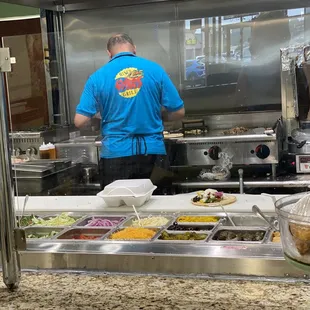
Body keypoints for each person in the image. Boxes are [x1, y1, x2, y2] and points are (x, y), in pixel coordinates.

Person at [74, 33, 185, 188]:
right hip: (153, 154)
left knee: (118, 209)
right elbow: (179, 112)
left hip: (115, 155)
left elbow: (79, 121)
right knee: (157, 208)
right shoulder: (155, 70)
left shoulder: (96, 78)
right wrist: (155, 114)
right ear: (134, 49)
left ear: (109, 53)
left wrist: (101, 117)